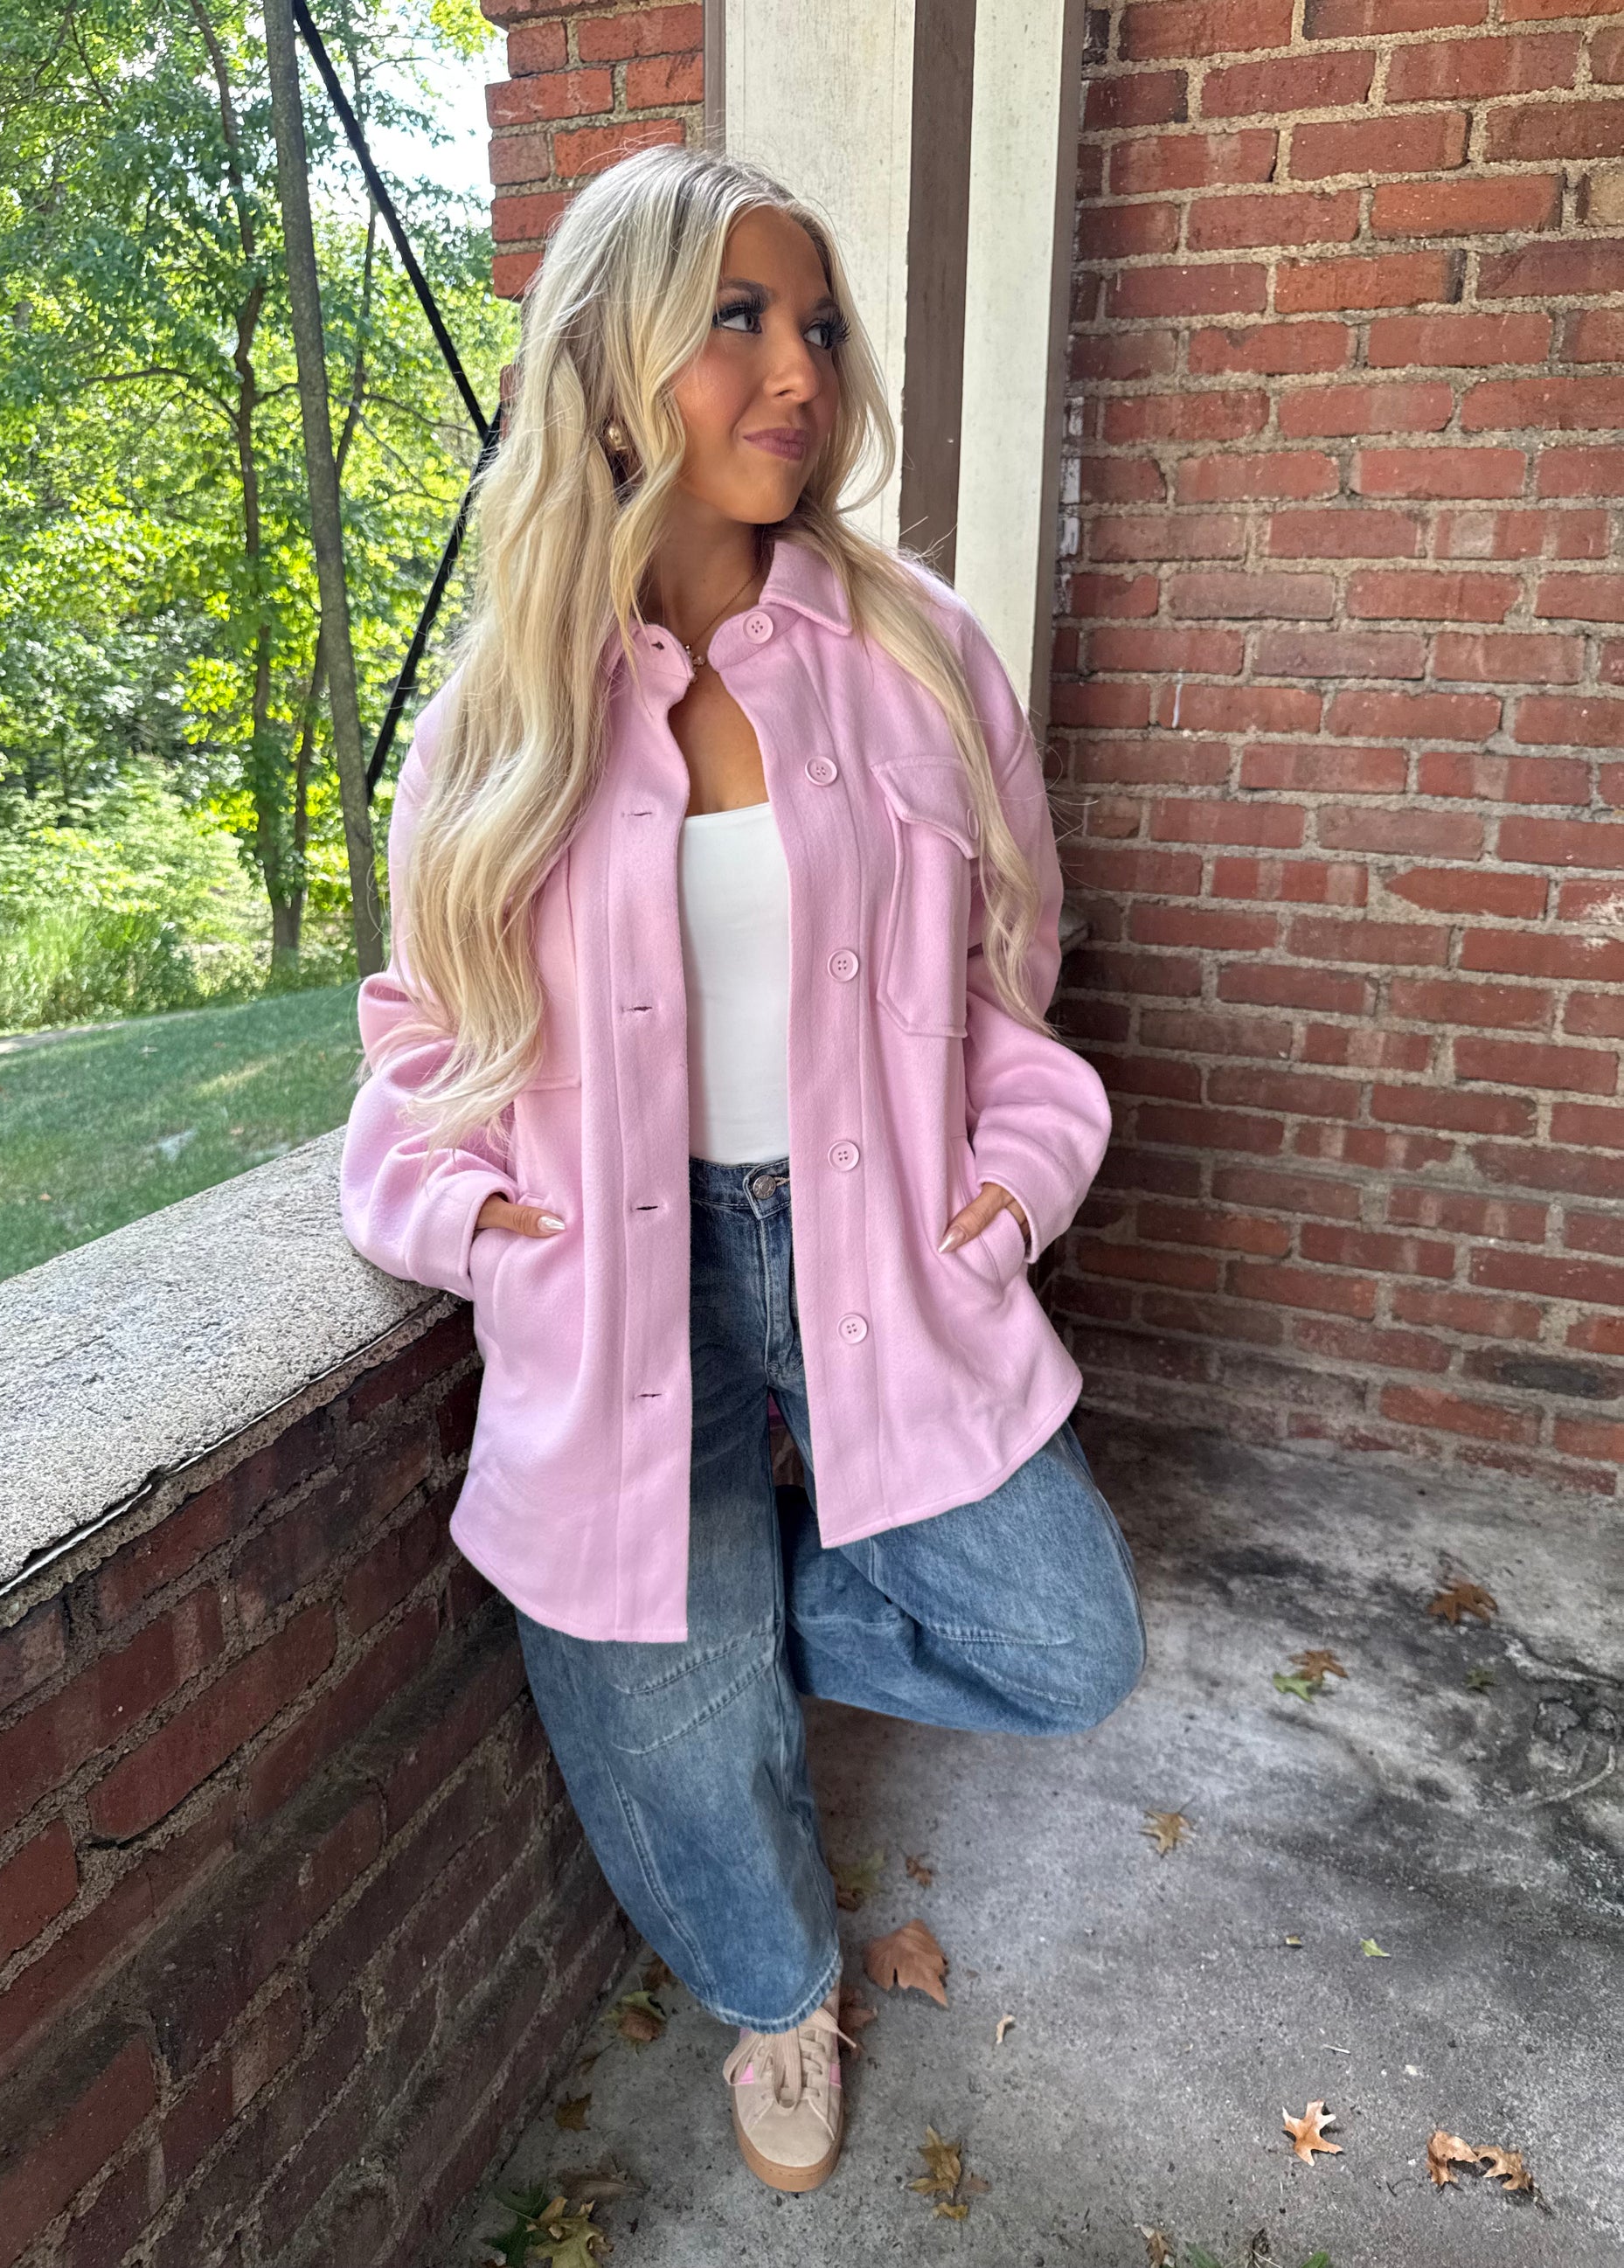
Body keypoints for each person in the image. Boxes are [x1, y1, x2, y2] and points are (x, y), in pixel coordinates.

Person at [338, 142, 1146, 2198]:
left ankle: (698, 1634)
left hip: (877, 1239)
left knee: (1069, 1643)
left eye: (818, 324)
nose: (798, 367)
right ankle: (777, 1991)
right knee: (681, 1730)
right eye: (737, 319)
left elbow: (1010, 978)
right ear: (614, 367)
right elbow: (416, 1036)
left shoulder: (920, 652)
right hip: (616, 1276)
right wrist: (478, 1225)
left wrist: (1013, 1177)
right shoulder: (500, 715)